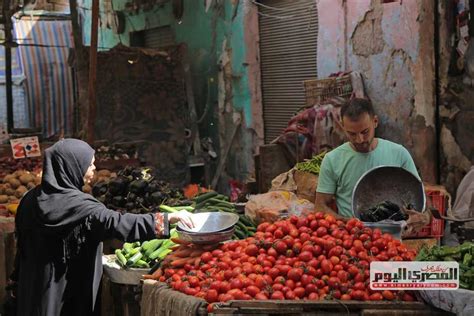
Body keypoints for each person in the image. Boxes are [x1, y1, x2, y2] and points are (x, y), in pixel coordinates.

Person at [7, 139, 194, 316]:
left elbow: (21, 245)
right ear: (73, 167)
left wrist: (15, 279)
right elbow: (119, 223)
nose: (94, 169)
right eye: (90, 165)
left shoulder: (29, 200)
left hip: (32, 289)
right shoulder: (83, 207)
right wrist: (168, 219)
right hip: (67, 296)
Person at [315, 98, 420, 219]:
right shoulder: (332, 160)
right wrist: (350, 223)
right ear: (343, 126)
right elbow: (320, 206)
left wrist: (425, 216)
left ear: (375, 121)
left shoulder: (399, 153)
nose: (359, 140)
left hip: (395, 233)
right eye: (352, 134)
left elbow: (419, 194)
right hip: (352, 234)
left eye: (365, 132)